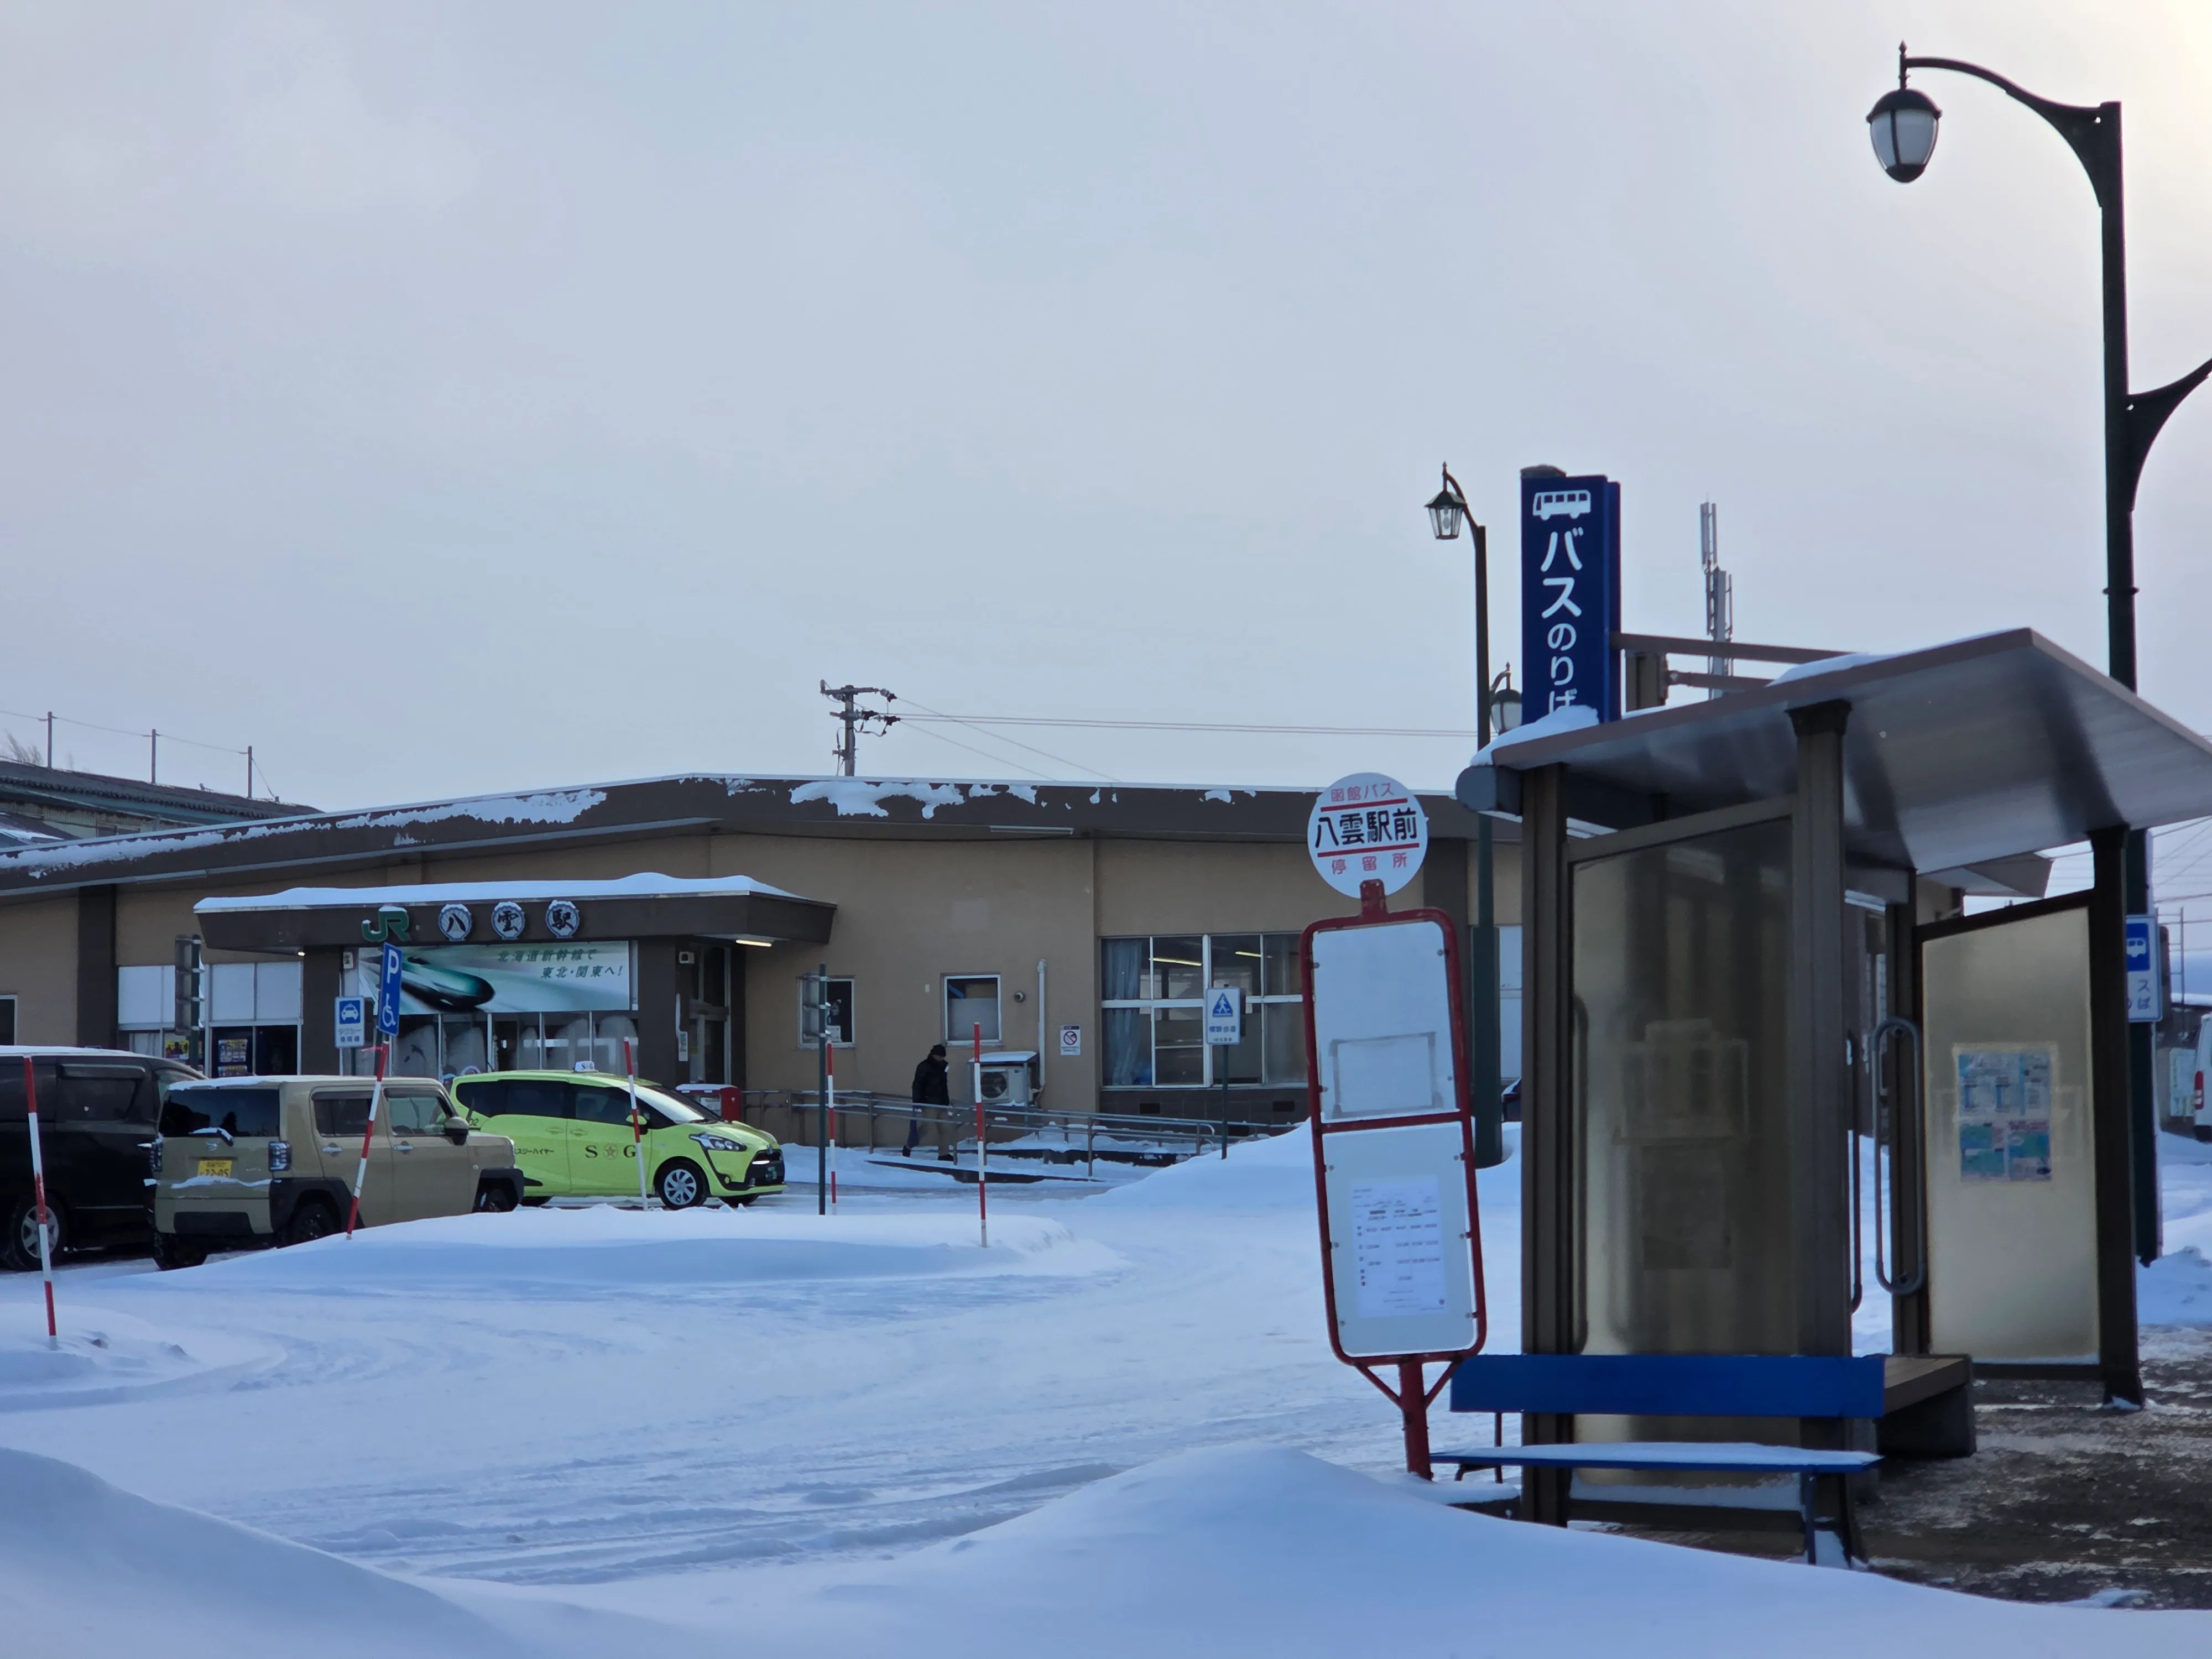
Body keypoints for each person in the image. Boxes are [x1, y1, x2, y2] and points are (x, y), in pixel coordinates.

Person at [907, 1043, 950, 1157]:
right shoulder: (924, 1066)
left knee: (946, 1128)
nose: (942, 1059)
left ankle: (944, 1154)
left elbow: (944, 1086)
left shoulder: (943, 1067)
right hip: (928, 1103)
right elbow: (917, 1085)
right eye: (940, 1056)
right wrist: (918, 1102)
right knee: (926, 1128)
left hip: (941, 1103)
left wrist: (946, 1101)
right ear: (934, 1055)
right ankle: (909, 1146)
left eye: (943, 1057)